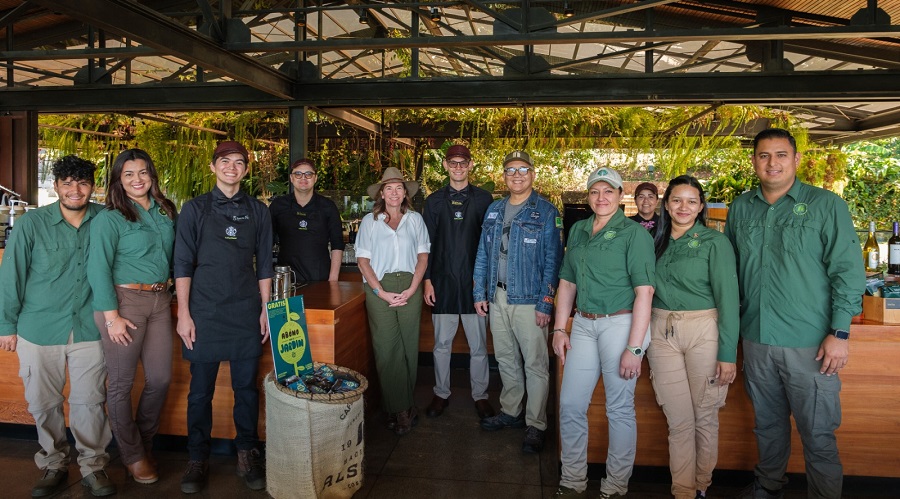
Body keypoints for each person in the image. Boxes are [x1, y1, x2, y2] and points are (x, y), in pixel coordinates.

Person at [725, 128, 866, 499]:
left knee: (817, 432)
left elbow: (848, 271)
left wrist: (840, 332)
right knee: (767, 426)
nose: (772, 163)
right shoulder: (740, 208)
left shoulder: (826, 205)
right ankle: (768, 487)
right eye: (764, 155)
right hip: (756, 338)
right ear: (754, 161)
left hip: (811, 343)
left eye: (781, 155)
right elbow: (729, 272)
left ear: (797, 159)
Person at [0, 155, 117, 497]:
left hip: (90, 328)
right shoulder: (30, 224)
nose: (75, 190)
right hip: (38, 328)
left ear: (92, 186)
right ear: (56, 187)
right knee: (42, 402)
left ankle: (93, 467)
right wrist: (6, 325)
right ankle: (53, 464)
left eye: (82, 183)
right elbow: (12, 277)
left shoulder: (108, 220)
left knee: (90, 402)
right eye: (67, 183)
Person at [173, 141, 273, 494]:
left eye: (239, 162)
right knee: (200, 392)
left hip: (245, 309)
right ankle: (197, 458)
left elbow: (264, 264)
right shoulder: (195, 209)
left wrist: (265, 308)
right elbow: (182, 263)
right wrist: (184, 314)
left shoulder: (259, 211)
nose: (232, 166)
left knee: (246, 388)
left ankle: (247, 452)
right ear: (213, 167)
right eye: (225, 161)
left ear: (246, 170)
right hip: (204, 310)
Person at [551, 167, 654, 498]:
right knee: (569, 404)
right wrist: (559, 327)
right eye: (595, 191)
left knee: (619, 408)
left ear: (621, 194)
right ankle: (573, 480)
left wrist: (635, 347)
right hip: (582, 323)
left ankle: (614, 486)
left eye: (608, 191)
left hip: (620, 325)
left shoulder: (634, 233)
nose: (601, 197)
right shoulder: (579, 229)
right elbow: (567, 282)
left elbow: (645, 292)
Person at [86, 149, 177, 485]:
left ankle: (143, 443)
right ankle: (133, 456)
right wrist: (112, 318)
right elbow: (97, 269)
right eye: (128, 174)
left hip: (159, 300)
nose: (137, 179)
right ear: (118, 180)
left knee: (160, 379)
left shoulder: (165, 211)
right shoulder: (109, 219)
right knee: (121, 385)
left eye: (142, 172)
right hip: (123, 303)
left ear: (151, 175)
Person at [646, 175, 739, 499]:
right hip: (661, 334)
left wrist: (727, 354)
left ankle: (701, 486)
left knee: (704, 417)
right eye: (676, 200)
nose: (683, 207)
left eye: (691, 201)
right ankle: (683, 492)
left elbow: (728, 299)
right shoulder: (654, 242)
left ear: (701, 206)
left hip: (704, 332)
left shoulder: (715, 243)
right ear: (666, 204)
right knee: (679, 421)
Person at [473, 150, 562, 454]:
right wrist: (479, 294)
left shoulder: (546, 212)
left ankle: (535, 424)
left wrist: (546, 302)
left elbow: (553, 260)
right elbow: (483, 254)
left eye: (523, 170)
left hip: (530, 301)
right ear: (504, 176)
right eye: (510, 170)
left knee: (535, 364)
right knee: (507, 359)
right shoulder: (494, 210)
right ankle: (511, 412)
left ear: (533, 174)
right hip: (497, 296)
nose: (517, 175)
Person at [422, 144, 496, 420]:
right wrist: (427, 280)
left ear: (470, 165)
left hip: (475, 286)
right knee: (441, 345)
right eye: (452, 163)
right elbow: (425, 245)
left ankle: (481, 396)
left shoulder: (484, 199)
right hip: (442, 283)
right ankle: (441, 393)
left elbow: (490, 246)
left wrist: (485, 285)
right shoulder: (433, 202)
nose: (457, 167)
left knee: (478, 346)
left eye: (462, 163)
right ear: (444, 165)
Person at [355, 167, 430, 436]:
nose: (394, 192)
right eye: (389, 188)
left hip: (410, 285)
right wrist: (380, 292)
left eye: (399, 188)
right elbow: (363, 261)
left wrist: (412, 288)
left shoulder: (415, 220)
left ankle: (397, 408)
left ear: (405, 193)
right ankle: (402, 409)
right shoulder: (369, 222)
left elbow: (423, 257)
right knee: (387, 350)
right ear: (382, 193)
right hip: (380, 288)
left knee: (409, 347)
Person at [269, 157, 344, 283]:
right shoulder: (278, 206)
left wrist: (333, 279)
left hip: (321, 279)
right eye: (298, 174)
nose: (303, 178)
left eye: (308, 174)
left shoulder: (328, 206)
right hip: (286, 280)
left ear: (315, 178)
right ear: (291, 178)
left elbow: (337, 244)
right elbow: (266, 242)